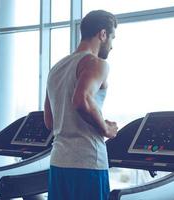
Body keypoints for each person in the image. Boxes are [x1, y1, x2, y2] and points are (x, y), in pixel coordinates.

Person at [44, 10, 118, 200]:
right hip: (88, 162)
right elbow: (81, 100)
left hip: (59, 162)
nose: (112, 46)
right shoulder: (96, 63)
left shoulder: (56, 68)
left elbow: (49, 121)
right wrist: (106, 129)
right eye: (112, 38)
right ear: (102, 34)